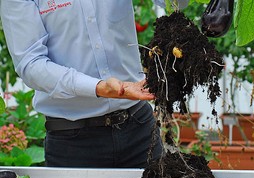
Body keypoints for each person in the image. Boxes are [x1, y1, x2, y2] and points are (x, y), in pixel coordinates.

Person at [0, 0, 188, 168]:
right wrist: (98, 87)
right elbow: (30, 65)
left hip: (139, 128)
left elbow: (176, 3)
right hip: (72, 142)